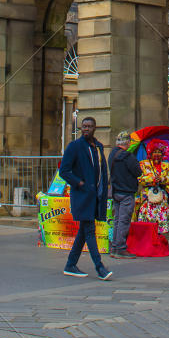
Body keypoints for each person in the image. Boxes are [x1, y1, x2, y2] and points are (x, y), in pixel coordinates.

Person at [57, 116, 112, 279]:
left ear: (95, 128)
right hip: (82, 195)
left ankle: (70, 264)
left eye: (89, 126)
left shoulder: (99, 147)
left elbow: (102, 170)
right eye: (83, 126)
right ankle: (99, 267)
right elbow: (64, 171)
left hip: (96, 196)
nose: (86, 129)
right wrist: (80, 183)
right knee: (89, 230)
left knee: (84, 230)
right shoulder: (75, 147)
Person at [136, 142, 169, 245]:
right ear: (150, 153)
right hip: (147, 198)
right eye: (155, 152)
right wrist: (152, 179)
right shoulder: (143, 164)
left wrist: (162, 179)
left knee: (160, 219)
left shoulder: (167, 165)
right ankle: (147, 240)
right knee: (148, 220)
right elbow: (139, 178)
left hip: (161, 198)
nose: (157, 154)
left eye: (159, 152)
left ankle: (158, 239)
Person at [108, 133, 141, 258]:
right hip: (126, 192)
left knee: (117, 219)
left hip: (116, 191)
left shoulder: (112, 154)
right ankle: (121, 248)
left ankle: (115, 247)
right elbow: (138, 172)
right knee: (124, 220)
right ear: (127, 143)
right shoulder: (128, 156)